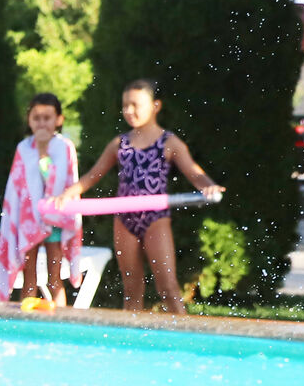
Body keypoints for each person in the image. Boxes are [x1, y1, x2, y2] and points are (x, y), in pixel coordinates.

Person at [60, 79, 223, 315]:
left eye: (135, 105)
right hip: (125, 220)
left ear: (155, 106)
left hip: (155, 218)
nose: (129, 111)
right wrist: (67, 194)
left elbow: (194, 173)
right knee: (132, 288)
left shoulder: (169, 142)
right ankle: (132, 342)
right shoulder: (120, 144)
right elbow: (92, 176)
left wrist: (209, 186)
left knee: (167, 286)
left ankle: (188, 338)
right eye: (125, 105)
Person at [0, 94, 78, 306]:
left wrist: (42, 152)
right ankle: (26, 327)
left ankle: (60, 325)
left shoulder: (64, 147)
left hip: (55, 220)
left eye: (47, 118)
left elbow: (60, 181)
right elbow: (17, 187)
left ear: (59, 119)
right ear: (29, 120)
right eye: (36, 118)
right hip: (28, 220)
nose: (41, 123)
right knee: (28, 278)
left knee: (54, 278)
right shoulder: (23, 148)